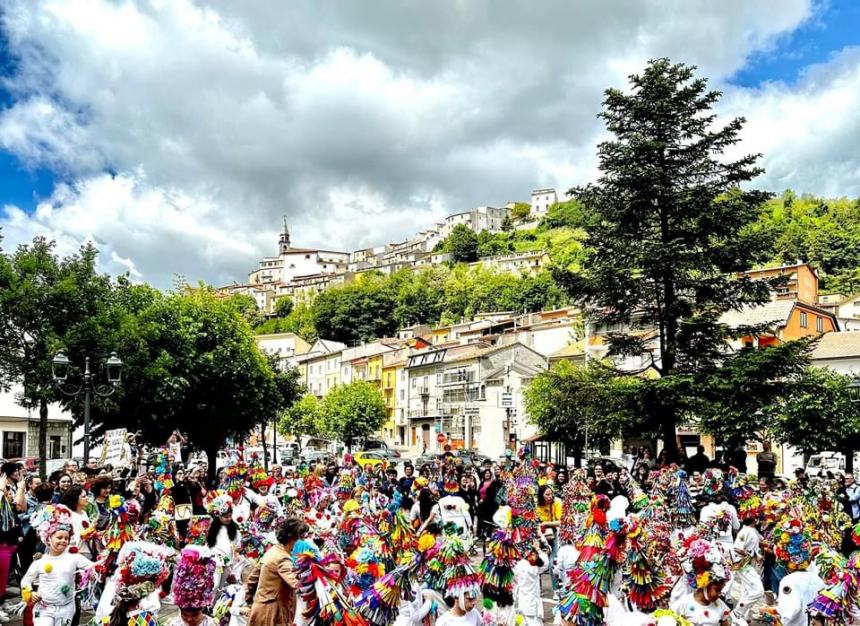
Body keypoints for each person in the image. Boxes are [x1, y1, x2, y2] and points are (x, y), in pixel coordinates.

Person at [21, 504, 93, 626]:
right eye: (59, 537)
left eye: (66, 538)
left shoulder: (74, 557)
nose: (63, 541)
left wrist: (95, 570)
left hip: (67, 608)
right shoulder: (40, 561)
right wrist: (30, 593)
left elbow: (92, 567)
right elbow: (26, 581)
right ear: (48, 538)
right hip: (44, 608)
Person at [246, 517, 306, 626]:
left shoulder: (272, 551)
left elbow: (252, 579)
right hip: (272, 615)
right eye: (301, 538)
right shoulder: (283, 558)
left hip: (260, 610)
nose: (303, 542)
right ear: (291, 538)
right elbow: (298, 584)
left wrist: (250, 601)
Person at [168, 545, 217, 626]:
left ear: (203, 609)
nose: (189, 619)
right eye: (184, 615)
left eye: (194, 615)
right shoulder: (174, 624)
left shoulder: (211, 624)